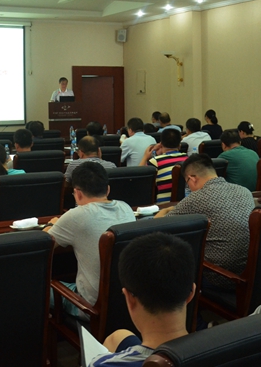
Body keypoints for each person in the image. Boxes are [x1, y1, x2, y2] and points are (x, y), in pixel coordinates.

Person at [90, 233, 196, 367]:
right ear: (191, 293)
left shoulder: (102, 365)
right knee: (119, 336)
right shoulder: (219, 350)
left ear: (129, 299)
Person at [45, 163, 135, 317]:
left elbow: (43, 245)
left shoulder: (76, 215)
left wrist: (51, 224)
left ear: (77, 193)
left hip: (89, 308)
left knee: (34, 286)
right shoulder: (126, 208)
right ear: (107, 190)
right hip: (126, 303)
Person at [156, 154, 254, 290]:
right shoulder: (245, 191)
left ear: (192, 179)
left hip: (218, 277)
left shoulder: (196, 199)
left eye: (187, 183)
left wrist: (164, 210)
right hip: (249, 273)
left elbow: (158, 226)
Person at [141, 128, 188, 203]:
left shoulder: (155, 161)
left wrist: (145, 157)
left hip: (163, 205)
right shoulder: (189, 159)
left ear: (161, 144)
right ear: (179, 145)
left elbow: (140, 179)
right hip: (186, 203)